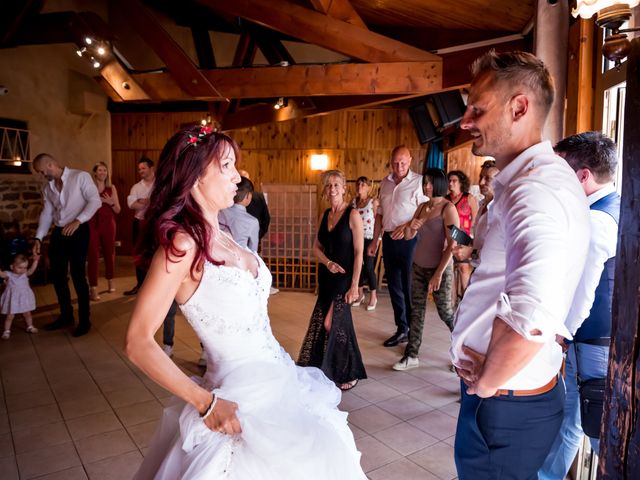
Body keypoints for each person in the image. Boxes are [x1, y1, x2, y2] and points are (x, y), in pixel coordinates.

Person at [126, 126, 367, 479]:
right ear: (194, 177)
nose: (238, 175)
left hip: (280, 378)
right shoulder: (183, 245)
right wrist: (205, 403)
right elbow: (137, 342)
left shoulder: (223, 233)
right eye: (226, 166)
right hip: (238, 396)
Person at [450, 51, 590, 479]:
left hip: (505, 405)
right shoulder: (536, 180)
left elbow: (533, 312)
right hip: (512, 395)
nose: (465, 122)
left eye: (477, 109)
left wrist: (488, 382)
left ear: (518, 108)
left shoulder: (535, 191)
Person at [539, 132, 620, 480]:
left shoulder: (599, 220)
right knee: (572, 418)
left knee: (600, 432)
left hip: (591, 343)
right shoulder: (614, 205)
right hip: (591, 341)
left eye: (562, 171)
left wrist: (562, 334)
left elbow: (585, 289)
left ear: (583, 176)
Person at [298, 170, 367, 391]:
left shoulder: (353, 214)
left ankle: (350, 371)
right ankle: (331, 367)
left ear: (344, 187)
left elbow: (359, 253)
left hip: (344, 278)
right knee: (332, 324)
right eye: (328, 185)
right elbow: (316, 249)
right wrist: (328, 263)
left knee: (331, 323)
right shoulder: (325, 214)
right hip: (327, 276)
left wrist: (355, 284)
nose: (332, 189)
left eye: (336, 184)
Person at [392, 168, 458, 371]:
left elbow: (452, 245)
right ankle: (411, 355)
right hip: (419, 267)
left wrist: (438, 274)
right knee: (416, 312)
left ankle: (463, 353)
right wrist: (412, 225)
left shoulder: (448, 208)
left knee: (446, 312)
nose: (427, 186)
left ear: (439, 184)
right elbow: (409, 236)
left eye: (430, 183)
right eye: (425, 183)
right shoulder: (421, 207)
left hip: (440, 269)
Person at [32, 153, 101, 337]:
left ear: (50, 164)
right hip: (59, 231)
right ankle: (66, 316)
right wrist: (38, 238)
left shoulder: (80, 177)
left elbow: (95, 201)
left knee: (78, 275)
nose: (41, 175)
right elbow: (47, 214)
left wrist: (78, 220)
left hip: (79, 229)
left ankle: (85, 320)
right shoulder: (48, 188)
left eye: (41, 171)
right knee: (58, 275)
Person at [368, 145, 427, 347]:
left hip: (411, 241)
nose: (399, 166)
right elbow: (380, 215)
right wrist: (375, 241)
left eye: (402, 162)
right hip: (389, 239)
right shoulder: (385, 183)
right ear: (391, 161)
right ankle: (402, 329)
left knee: (409, 286)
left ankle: (414, 332)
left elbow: (427, 210)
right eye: (395, 162)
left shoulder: (419, 182)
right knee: (393, 286)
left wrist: (409, 224)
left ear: (410, 160)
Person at [88, 162, 121, 301]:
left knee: (109, 252)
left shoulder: (111, 188)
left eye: (105, 170)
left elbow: (118, 210)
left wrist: (109, 202)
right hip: (92, 223)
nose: (102, 173)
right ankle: (93, 288)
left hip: (108, 223)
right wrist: (96, 201)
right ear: (94, 172)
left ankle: (110, 280)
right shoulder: (89, 187)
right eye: (100, 170)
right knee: (93, 255)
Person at [446, 170, 479, 304]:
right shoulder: (445, 199)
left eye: (454, 181)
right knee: (449, 269)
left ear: (461, 183)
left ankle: (467, 300)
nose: (451, 183)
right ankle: (451, 301)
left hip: (464, 238)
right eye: (449, 181)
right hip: (448, 237)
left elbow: (477, 219)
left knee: (463, 268)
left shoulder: (469, 198)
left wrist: (473, 239)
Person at [124, 157, 155, 296]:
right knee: (139, 255)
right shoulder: (136, 187)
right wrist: (150, 202)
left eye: (143, 168)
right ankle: (140, 285)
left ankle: (155, 287)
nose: (140, 171)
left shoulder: (160, 184)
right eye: (139, 169)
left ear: (151, 168)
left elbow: (163, 201)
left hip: (156, 223)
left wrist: (143, 201)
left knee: (156, 255)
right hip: (139, 223)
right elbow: (131, 204)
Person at [351, 176, 379, 310]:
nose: (360, 186)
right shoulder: (353, 202)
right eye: (358, 184)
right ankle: (360, 294)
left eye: (363, 184)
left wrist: (377, 240)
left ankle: (373, 296)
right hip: (356, 238)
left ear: (368, 187)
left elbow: (379, 221)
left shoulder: (373, 202)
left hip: (369, 238)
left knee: (368, 267)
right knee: (357, 266)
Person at [1, 253, 40, 339]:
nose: (23, 270)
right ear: (12, 267)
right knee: (10, 316)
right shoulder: (8, 275)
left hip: (24, 298)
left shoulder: (24, 274)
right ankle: (6, 331)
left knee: (27, 313)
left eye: (25, 267)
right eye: (20, 268)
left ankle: (30, 326)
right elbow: (1, 274)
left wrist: (35, 261)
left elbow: (31, 270)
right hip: (12, 299)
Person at [219, 176, 260, 252]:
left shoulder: (219, 212)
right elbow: (253, 250)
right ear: (248, 195)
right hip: (239, 260)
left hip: (216, 257)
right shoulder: (252, 221)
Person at [238, 169, 271, 243]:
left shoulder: (259, 197)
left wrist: (257, 234)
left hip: (252, 238)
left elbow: (266, 219)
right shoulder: (230, 196)